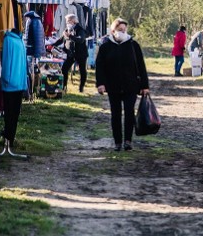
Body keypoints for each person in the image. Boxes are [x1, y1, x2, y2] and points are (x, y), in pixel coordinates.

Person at [95, 18, 150, 151]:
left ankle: (128, 141)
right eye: (120, 30)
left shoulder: (133, 45)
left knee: (129, 112)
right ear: (113, 31)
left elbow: (141, 66)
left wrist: (145, 86)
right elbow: (100, 67)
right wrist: (100, 84)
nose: (122, 32)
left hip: (131, 85)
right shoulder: (105, 46)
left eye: (124, 30)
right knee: (115, 114)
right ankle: (117, 142)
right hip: (112, 86)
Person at [51, 14, 88, 93]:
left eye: (68, 21)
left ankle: (81, 87)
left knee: (82, 71)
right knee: (64, 69)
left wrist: (70, 36)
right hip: (71, 54)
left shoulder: (80, 29)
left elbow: (80, 40)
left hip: (81, 54)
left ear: (74, 21)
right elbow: (61, 39)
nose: (67, 23)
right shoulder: (67, 30)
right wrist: (52, 45)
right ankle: (64, 86)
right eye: (67, 21)